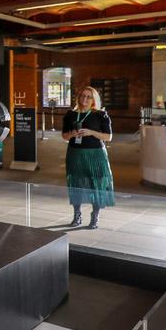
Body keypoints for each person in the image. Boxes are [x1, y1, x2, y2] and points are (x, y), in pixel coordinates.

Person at [61, 86, 114, 229]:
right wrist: (72, 134)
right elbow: (64, 136)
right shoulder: (71, 114)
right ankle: (77, 215)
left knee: (97, 185)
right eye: (82, 96)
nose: (84, 99)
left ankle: (95, 216)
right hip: (75, 154)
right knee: (76, 185)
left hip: (96, 154)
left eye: (88, 97)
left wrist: (91, 132)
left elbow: (108, 137)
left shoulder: (100, 115)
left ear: (94, 99)